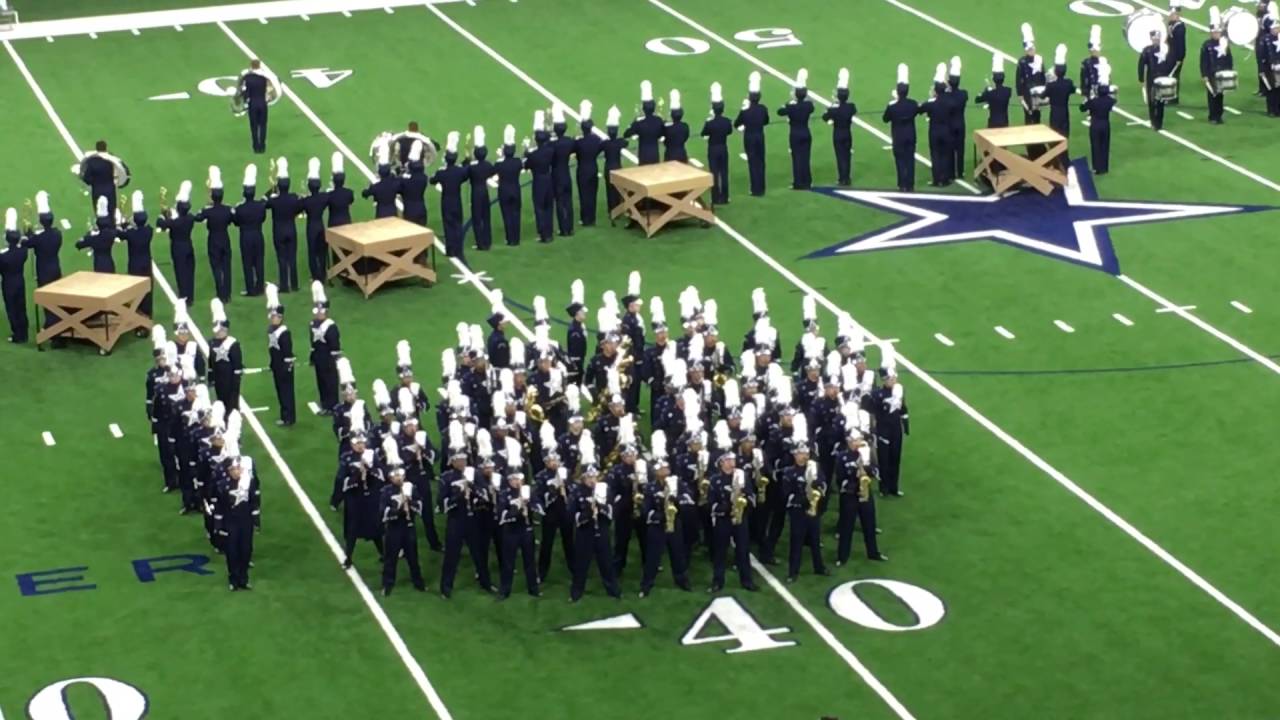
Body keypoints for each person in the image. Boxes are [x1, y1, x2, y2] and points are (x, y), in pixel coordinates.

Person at [568, 455, 622, 602]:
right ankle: (576, 592)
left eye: (594, 477)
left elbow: (612, 511)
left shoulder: (605, 490)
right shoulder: (577, 492)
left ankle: (613, 590)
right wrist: (588, 512)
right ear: (583, 478)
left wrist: (602, 507)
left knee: (606, 562)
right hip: (585, 533)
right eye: (588, 477)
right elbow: (572, 515)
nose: (592, 480)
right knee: (581, 564)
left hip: (602, 531)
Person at [380, 438, 427, 596]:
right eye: (395, 476)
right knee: (390, 559)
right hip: (394, 529)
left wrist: (411, 503)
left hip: (409, 527)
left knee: (413, 557)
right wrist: (399, 508)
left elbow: (420, 506)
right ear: (390, 477)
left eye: (400, 475)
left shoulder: (410, 488)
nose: (398, 478)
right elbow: (383, 513)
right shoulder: (386, 492)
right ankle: (387, 584)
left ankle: (418, 582)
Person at [834, 428, 887, 566]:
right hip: (849, 496)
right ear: (849, 442)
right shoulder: (842, 457)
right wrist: (854, 475)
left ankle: (873, 552)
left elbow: (876, 471)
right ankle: (842, 556)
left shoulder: (866, 453)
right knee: (847, 527)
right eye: (856, 440)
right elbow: (840, 479)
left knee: (869, 525)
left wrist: (867, 469)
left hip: (865, 494)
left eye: (859, 439)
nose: (858, 442)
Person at [782, 439, 827, 582]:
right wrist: (804, 497)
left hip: (813, 509)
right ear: (795, 455)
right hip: (798, 512)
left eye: (806, 453)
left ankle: (819, 567)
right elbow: (786, 494)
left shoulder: (814, 468)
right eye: (801, 453)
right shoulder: (789, 472)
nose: (804, 456)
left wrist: (816, 492)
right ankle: (793, 572)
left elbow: (823, 484)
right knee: (796, 542)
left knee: (815, 540)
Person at [339, 424, 383, 568]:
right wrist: (358, 474)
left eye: (362, 442)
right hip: (355, 498)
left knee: (375, 527)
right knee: (353, 529)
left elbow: (381, 475)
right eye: (357, 443)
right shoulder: (346, 458)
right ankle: (348, 557)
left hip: (370, 497)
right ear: (352, 444)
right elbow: (343, 480)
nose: (360, 445)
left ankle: (383, 553)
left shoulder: (372, 455)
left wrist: (369, 469)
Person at [217, 439, 259, 590]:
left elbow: (254, 502)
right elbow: (219, 508)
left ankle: (244, 578)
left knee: (245, 550)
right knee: (232, 552)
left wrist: (256, 520)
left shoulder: (248, 483)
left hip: (245, 521)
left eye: (238, 468)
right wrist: (219, 526)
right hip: (230, 522)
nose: (236, 471)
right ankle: (233, 579)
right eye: (233, 469)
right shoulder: (223, 485)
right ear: (229, 471)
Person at [497, 463, 541, 600]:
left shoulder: (529, 492)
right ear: (509, 480)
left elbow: (540, 507)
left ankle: (533, 589)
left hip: (526, 530)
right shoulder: (504, 494)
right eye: (514, 479)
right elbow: (502, 516)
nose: (517, 482)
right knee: (508, 563)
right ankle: (505, 591)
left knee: (530, 562)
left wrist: (530, 505)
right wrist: (517, 507)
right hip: (511, 532)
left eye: (519, 479)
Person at [21, 192, 63, 334]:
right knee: (56, 297)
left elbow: (27, 243)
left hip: (43, 270)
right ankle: (59, 322)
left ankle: (51, 326)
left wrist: (28, 233)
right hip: (55, 267)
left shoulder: (39, 238)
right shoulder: (57, 234)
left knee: (46, 299)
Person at [872, 356, 909, 497]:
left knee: (895, 458)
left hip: (895, 428)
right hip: (884, 429)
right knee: (884, 459)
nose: (893, 381)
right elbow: (876, 413)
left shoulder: (898, 391)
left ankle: (894, 487)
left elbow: (903, 408)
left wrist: (905, 421)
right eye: (890, 379)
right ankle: (884, 488)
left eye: (894, 378)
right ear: (885, 380)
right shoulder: (878, 394)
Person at [195, 166, 234, 303]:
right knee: (226, 267)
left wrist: (206, 207)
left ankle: (220, 293)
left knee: (216, 267)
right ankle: (227, 294)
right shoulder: (228, 209)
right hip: (225, 238)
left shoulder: (208, 211)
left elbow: (198, 217)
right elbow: (233, 220)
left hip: (213, 239)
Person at [117, 190, 154, 321]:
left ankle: (138, 318)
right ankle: (148, 315)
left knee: (137, 292)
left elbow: (120, 235)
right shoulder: (149, 231)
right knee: (148, 291)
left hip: (135, 264)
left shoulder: (131, 233)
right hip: (147, 263)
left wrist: (123, 225)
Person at [265, 158, 301, 293]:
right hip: (291, 229)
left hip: (278, 231)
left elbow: (263, 202)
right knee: (292, 257)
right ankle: (295, 284)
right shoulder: (294, 197)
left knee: (282, 258)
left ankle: (284, 285)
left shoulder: (274, 200)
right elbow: (298, 208)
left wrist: (271, 190)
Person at [432, 132, 469, 258]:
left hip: (446, 201)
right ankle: (458, 249)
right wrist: (466, 162)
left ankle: (450, 250)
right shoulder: (459, 172)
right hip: (457, 201)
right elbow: (465, 173)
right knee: (458, 225)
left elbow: (432, 181)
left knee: (448, 225)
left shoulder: (442, 173)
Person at [883, 64, 919, 193]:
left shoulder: (892, 106)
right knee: (910, 159)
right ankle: (910, 184)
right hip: (910, 135)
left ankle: (902, 184)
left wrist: (894, 101)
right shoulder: (913, 104)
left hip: (898, 137)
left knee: (900, 161)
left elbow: (885, 119)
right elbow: (917, 111)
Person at [231, 165, 266, 297]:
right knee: (259, 261)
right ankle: (260, 286)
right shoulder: (260, 206)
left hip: (245, 236)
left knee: (247, 262)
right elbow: (263, 218)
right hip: (258, 234)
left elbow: (235, 222)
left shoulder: (240, 208)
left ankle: (250, 289)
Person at [777, 68, 815, 190]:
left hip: (795, 134)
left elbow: (780, 111)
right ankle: (808, 181)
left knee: (797, 158)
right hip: (806, 132)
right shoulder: (808, 105)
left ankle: (798, 182)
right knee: (806, 157)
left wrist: (790, 101)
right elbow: (810, 106)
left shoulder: (791, 107)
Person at [918, 63, 953, 188]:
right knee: (945, 154)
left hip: (934, 132)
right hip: (946, 131)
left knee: (935, 155)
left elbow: (920, 109)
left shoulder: (931, 102)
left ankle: (936, 179)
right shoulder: (949, 101)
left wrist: (930, 98)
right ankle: (945, 179)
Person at [264, 284, 295, 426]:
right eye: (272, 316)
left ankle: (289, 417)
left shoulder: (284, 332)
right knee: (280, 391)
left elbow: (287, 351)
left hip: (284, 366)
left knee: (286, 392)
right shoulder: (271, 329)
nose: (272, 318)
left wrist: (286, 366)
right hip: (277, 365)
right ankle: (284, 415)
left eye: (275, 316)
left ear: (280, 317)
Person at [735, 71, 769, 196]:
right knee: (761, 161)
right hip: (760, 136)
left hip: (749, 137)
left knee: (753, 162)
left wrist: (743, 126)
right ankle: (762, 187)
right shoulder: (763, 109)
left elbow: (736, 124)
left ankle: (755, 189)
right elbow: (766, 121)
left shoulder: (745, 111)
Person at [1080, 60, 1117, 175]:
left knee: (1095, 146)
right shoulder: (1110, 101)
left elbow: (1082, 108)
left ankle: (1097, 168)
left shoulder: (1094, 102)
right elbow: (1114, 99)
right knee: (1105, 146)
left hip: (1095, 125)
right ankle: (1104, 167)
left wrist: (1086, 100)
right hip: (1106, 124)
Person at [524, 112, 555, 244]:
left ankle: (543, 234)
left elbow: (526, 165)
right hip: (549, 179)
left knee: (539, 208)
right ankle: (549, 232)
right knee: (549, 207)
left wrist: (526, 150)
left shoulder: (533, 155)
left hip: (538, 182)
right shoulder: (550, 151)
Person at [309, 281, 340, 413]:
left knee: (330, 381)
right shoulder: (313, 323)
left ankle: (332, 405)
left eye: (321, 311)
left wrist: (333, 359)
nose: (318, 314)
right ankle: (324, 402)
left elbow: (335, 344)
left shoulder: (331, 326)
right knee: (321, 380)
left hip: (328, 358)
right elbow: (313, 343)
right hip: (318, 357)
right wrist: (312, 357)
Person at [822, 68, 857, 186]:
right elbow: (852, 110)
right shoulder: (851, 107)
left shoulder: (833, 109)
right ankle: (847, 177)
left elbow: (825, 117)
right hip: (848, 133)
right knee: (847, 156)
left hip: (837, 134)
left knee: (840, 156)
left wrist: (830, 111)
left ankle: (842, 178)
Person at [701, 82, 734, 203]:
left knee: (714, 173)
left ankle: (715, 197)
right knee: (724, 173)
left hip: (713, 149)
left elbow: (703, 133)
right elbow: (730, 132)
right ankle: (725, 197)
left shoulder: (710, 122)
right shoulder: (727, 121)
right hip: (723, 148)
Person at [208, 298, 243, 411]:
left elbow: (237, 367)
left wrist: (235, 384)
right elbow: (211, 363)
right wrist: (211, 378)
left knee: (232, 407)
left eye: (220, 330)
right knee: (221, 405)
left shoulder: (233, 344)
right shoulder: (212, 343)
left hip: (230, 381)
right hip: (219, 380)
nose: (217, 332)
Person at [299, 158, 329, 282]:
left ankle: (315, 275)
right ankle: (323, 273)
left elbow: (299, 206)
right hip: (321, 225)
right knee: (322, 251)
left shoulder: (306, 201)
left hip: (311, 226)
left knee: (312, 252)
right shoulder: (324, 197)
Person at [573, 101, 603, 228]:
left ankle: (585, 218)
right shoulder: (596, 139)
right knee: (592, 193)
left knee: (583, 194)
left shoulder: (578, 142)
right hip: (593, 168)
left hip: (582, 169)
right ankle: (592, 218)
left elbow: (573, 150)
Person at [0, 209, 28, 344]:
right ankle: (24, 332)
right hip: (20, 281)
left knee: (12, 309)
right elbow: (22, 244)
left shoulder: (4, 256)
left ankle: (17, 334)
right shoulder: (22, 252)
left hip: (8, 283)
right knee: (21, 307)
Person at [77, 141, 126, 217]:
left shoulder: (91, 161)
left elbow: (87, 178)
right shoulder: (111, 159)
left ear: (96, 149)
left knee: (100, 214)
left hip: (97, 190)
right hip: (110, 190)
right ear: (106, 148)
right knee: (111, 213)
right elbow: (119, 171)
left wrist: (93, 182)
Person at [1202, 9, 1234, 125]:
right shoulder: (1206, 45)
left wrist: (1230, 72)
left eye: (1218, 32)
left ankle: (1219, 115)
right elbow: (1203, 61)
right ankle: (1212, 116)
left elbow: (1229, 59)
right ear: (1211, 33)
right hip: (1211, 73)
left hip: (1222, 73)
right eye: (1214, 32)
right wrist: (1204, 74)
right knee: (1212, 95)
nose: (1216, 34)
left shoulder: (1224, 44)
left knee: (1220, 95)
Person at [465, 126, 494, 250]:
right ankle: (487, 241)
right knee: (486, 217)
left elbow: (464, 171)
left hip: (476, 192)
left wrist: (467, 157)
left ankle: (480, 243)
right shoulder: (488, 165)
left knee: (477, 218)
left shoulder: (472, 166)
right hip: (485, 191)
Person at [494, 125, 523, 246]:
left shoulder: (500, 164)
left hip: (504, 191)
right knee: (516, 214)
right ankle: (516, 238)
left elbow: (494, 169)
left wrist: (501, 157)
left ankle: (509, 238)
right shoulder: (517, 162)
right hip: (516, 190)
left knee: (507, 215)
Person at [550, 107, 576, 237]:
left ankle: (563, 228)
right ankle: (570, 227)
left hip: (556, 175)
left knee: (560, 202)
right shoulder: (569, 141)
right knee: (568, 201)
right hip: (566, 174)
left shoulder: (552, 144)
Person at [238, 59, 274, 154]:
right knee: (263, 125)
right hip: (262, 103)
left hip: (252, 104)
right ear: (259, 66)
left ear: (251, 66)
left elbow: (244, 91)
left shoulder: (247, 78)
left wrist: (245, 101)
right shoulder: (263, 78)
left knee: (254, 126)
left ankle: (255, 147)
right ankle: (262, 147)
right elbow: (269, 89)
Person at [625, 80, 664, 164]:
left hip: (643, 155)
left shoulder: (639, 123)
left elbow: (626, 134)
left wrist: (634, 122)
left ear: (643, 109)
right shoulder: (658, 120)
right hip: (655, 154)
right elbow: (662, 133)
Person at [77, 196, 118, 274]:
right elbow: (118, 232)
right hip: (110, 264)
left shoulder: (93, 238)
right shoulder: (111, 234)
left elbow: (79, 245)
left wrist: (88, 234)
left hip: (99, 266)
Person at [1045, 44, 1077, 141]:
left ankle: (1055, 156)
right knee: (1064, 136)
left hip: (1054, 113)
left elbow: (1043, 95)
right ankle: (1064, 156)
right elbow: (1073, 90)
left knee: (1054, 137)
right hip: (1064, 112)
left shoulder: (1051, 85)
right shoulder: (1068, 83)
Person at [1139, 31, 1170, 131]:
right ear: (1151, 39)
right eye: (1155, 38)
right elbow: (1141, 65)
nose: (1156, 40)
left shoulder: (1164, 49)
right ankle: (1153, 121)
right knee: (1151, 101)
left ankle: (1159, 122)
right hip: (1151, 78)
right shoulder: (1147, 50)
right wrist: (1141, 78)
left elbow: (1169, 62)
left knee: (1161, 101)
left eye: (1158, 38)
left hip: (1162, 78)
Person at [602, 107, 630, 214]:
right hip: (618, 167)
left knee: (609, 190)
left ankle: (611, 209)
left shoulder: (605, 143)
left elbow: (599, 146)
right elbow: (625, 142)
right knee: (618, 189)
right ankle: (619, 207)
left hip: (608, 167)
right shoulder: (619, 142)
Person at [364, 143, 401, 219]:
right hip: (393, 213)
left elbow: (364, 194)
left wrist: (369, 185)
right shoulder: (395, 184)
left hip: (380, 214)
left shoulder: (375, 187)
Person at [1016, 24, 1043, 124]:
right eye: (1029, 49)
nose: (1032, 51)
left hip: (1037, 91)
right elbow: (1019, 79)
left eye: (1032, 49)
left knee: (1037, 114)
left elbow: (1042, 75)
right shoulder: (1022, 61)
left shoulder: (1039, 59)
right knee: (1028, 115)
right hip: (1027, 92)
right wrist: (1020, 94)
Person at [946, 57, 968, 182]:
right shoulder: (963, 94)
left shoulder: (947, 95)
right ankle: (960, 171)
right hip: (960, 124)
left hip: (950, 125)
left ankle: (951, 173)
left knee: (950, 149)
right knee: (960, 149)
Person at [976, 54, 1012, 129]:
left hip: (993, 124)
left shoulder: (990, 93)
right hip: (1005, 122)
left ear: (993, 79)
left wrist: (987, 89)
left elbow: (977, 99)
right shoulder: (1008, 91)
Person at [399, 141, 429, 227]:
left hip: (410, 211)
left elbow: (399, 187)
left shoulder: (405, 180)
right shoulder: (424, 178)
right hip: (421, 209)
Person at [327, 152, 355, 228]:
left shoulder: (329, 195)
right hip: (346, 222)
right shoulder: (349, 193)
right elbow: (351, 201)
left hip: (333, 224)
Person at [1167, 2, 1187, 102]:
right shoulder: (1171, 24)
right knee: (1169, 75)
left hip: (1176, 56)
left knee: (1173, 76)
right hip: (1170, 55)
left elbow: (1181, 45)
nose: (1170, 16)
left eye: (1173, 14)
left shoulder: (1179, 28)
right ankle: (1169, 95)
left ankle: (1173, 97)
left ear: (1178, 15)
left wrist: (1179, 58)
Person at [663, 89, 690, 163]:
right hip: (682, 154)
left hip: (670, 155)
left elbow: (665, 141)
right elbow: (686, 138)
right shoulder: (685, 126)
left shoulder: (667, 128)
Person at [1081, 25, 1104, 100]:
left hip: (1096, 91)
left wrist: (1084, 91)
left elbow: (1083, 78)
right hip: (1097, 91)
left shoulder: (1086, 63)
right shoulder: (1103, 62)